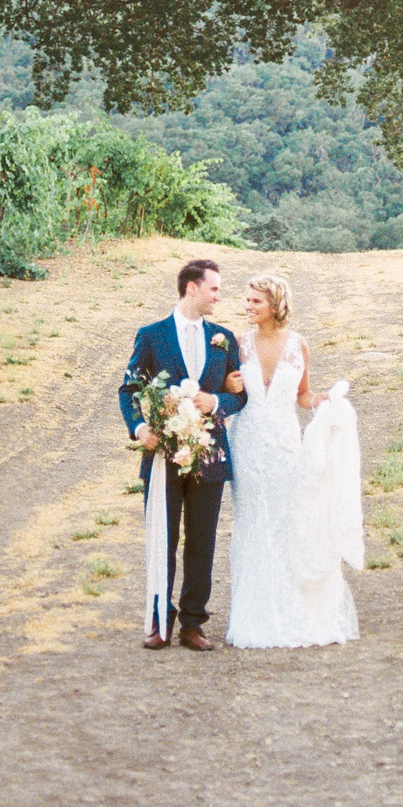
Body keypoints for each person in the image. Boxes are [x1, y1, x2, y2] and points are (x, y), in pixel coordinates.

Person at [225, 271, 362, 649]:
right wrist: (227, 386)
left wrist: (323, 402)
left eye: (255, 301)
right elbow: (226, 389)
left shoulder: (298, 345)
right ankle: (254, 612)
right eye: (246, 300)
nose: (247, 306)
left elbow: (302, 395)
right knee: (252, 521)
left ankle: (292, 609)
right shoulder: (237, 344)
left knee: (287, 519)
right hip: (248, 443)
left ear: (274, 305)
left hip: (285, 444)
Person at [120, 259, 246, 651]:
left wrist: (216, 401)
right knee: (163, 538)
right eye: (214, 289)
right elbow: (129, 390)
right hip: (163, 457)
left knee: (202, 540)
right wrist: (141, 430)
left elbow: (241, 396)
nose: (218, 296)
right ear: (192, 288)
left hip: (208, 455)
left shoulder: (224, 338)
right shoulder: (152, 335)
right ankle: (160, 622)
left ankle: (194, 622)